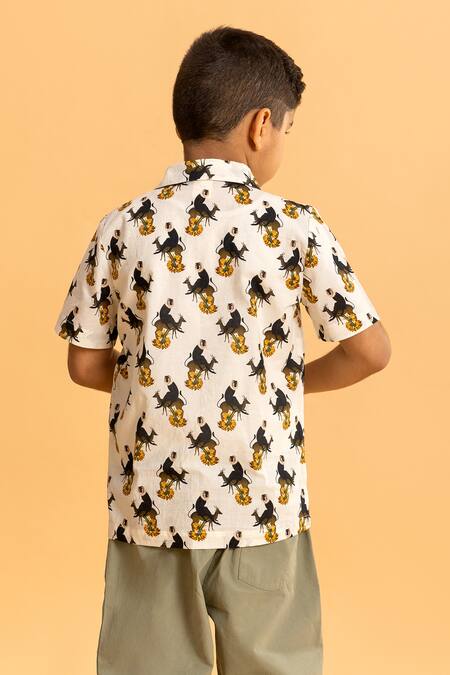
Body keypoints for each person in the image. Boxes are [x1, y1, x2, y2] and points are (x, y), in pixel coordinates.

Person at [54, 24, 391, 675]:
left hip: (150, 509)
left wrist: (160, 373)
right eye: (287, 129)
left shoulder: (123, 226)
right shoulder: (294, 227)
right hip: (261, 504)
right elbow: (370, 350)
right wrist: (285, 381)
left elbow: (85, 362)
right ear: (262, 126)